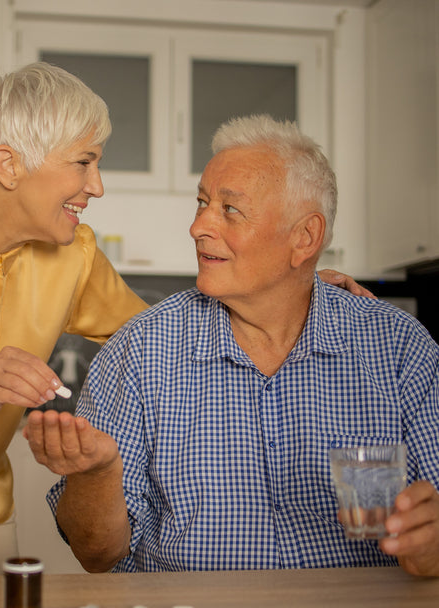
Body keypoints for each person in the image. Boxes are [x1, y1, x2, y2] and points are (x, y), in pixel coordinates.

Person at [0, 63, 367, 577]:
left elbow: (162, 333)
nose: (96, 185)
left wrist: (301, 290)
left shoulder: (74, 252)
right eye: (84, 162)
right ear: (9, 165)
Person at [24, 114, 439, 577]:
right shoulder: (140, 351)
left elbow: (432, 526)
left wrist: (428, 544)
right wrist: (95, 474)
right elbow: (97, 555)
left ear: (304, 238)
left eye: (230, 209)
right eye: (201, 203)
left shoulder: (398, 347)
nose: (198, 226)